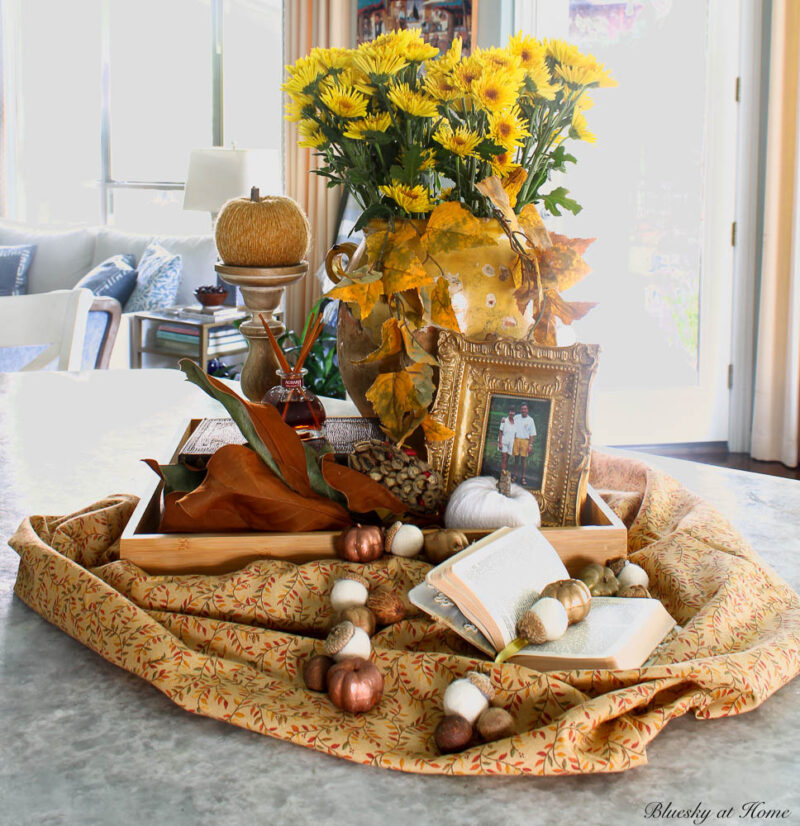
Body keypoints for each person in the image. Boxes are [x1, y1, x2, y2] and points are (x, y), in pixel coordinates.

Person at [512, 403, 537, 485]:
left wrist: (530, 445)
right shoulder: (516, 417)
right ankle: (515, 476)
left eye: (525, 409)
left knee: (523, 460)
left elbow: (532, 434)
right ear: (520, 410)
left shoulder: (530, 420)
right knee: (516, 459)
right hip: (516, 439)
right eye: (522, 409)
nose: (523, 410)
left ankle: (523, 477)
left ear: (527, 410)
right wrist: (503, 420)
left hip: (525, 441)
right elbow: (509, 423)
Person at [497, 407, 516, 473]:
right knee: (504, 458)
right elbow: (500, 431)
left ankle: (504, 473)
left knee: (507, 459)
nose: (511, 413)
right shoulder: (504, 420)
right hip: (503, 442)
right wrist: (500, 443)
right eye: (510, 411)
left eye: (513, 411)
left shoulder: (516, 422)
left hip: (511, 443)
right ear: (508, 412)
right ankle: (502, 473)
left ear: (515, 413)